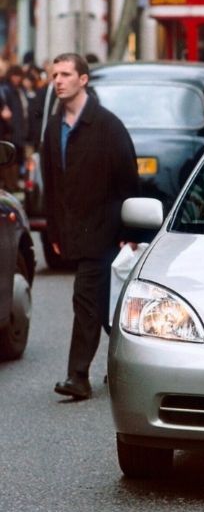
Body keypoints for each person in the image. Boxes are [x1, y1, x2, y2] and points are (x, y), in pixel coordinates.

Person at [42, 53, 139, 401]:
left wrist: (132, 232)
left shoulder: (107, 126)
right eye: (55, 74)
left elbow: (129, 181)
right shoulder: (54, 128)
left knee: (85, 298)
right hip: (74, 231)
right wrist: (54, 232)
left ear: (83, 80)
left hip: (105, 229)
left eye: (66, 74)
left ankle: (78, 376)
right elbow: (52, 185)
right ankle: (133, 364)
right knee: (100, 306)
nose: (58, 80)